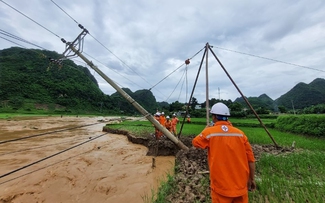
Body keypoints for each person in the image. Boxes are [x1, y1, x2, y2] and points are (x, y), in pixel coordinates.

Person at [192, 102, 256, 203]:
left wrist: (205, 129)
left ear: (214, 117)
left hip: (221, 188)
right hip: (241, 187)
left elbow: (196, 143)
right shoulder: (240, 134)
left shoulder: (209, 133)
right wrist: (251, 179)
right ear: (227, 117)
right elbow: (251, 160)